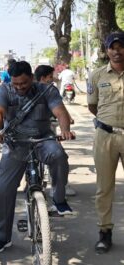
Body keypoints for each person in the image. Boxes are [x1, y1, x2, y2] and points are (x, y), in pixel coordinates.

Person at [0, 61, 74, 253]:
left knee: (59, 154)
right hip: (15, 144)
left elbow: (60, 112)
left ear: (32, 78)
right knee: (3, 191)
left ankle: (59, 200)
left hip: (43, 140)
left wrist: (65, 130)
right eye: (16, 84)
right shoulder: (5, 90)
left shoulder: (46, 90)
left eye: (24, 83)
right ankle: (3, 237)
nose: (19, 87)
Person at [87, 32, 124, 254]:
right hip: (105, 137)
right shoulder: (97, 75)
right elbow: (93, 106)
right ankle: (105, 233)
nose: (117, 51)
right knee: (104, 187)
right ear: (107, 50)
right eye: (113, 47)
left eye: (121, 47)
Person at [34, 65, 77, 196]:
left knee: (57, 154)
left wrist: (67, 119)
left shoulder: (51, 90)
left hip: (50, 125)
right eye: (50, 76)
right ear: (43, 77)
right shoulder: (30, 90)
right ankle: (30, 182)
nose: (53, 78)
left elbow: (60, 108)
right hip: (36, 129)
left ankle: (60, 187)